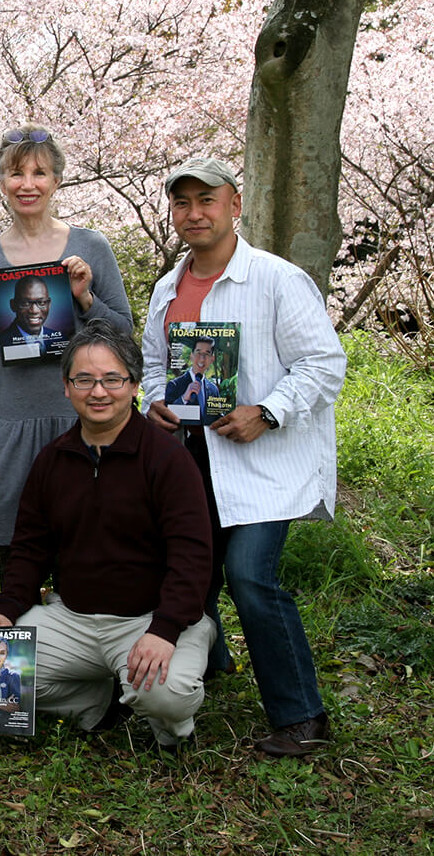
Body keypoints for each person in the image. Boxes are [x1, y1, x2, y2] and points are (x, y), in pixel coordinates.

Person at [140, 156, 347, 757]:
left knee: (251, 577)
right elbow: (156, 365)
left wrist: (269, 410)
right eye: (183, 203)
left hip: (263, 461)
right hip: (191, 457)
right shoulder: (167, 288)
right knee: (190, 572)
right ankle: (207, 668)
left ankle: (302, 715)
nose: (195, 213)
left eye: (207, 200)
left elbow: (324, 364)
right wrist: (158, 400)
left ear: (235, 205)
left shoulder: (277, 279)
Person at [0, 320, 214, 751]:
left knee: (165, 693)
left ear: (134, 385)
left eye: (112, 379)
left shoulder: (168, 460)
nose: (98, 392)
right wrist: (5, 610)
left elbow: (192, 554)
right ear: (66, 387)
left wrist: (166, 628)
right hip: (73, 616)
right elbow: (29, 548)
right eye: (84, 379)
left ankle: (171, 730)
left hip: (150, 619)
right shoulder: (53, 460)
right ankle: (100, 703)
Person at [0, 126, 133, 648]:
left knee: (84, 545)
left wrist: (83, 299)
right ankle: (17, 666)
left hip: (78, 418)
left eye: (39, 172)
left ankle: (80, 654)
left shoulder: (89, 247)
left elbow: (123, 335)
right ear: (1, 181)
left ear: (57, 179)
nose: (27, 183)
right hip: (8, 415)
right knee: (14, 548)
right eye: (16, 172)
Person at [0, 277, 65, 351]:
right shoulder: (0, 343)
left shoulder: (62, 338)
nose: (34, 311)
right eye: (25, 303)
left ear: (49, 304)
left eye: (41, 302)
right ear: (13, 305)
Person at [164, 337, 222, 407]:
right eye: (198, 353)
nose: (202, 359)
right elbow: (166, 413)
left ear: (212, 359)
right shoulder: (174, 385)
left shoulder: (213, 390)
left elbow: (216, 415)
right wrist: (183, 399)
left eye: (206, 354)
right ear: (191, 356)